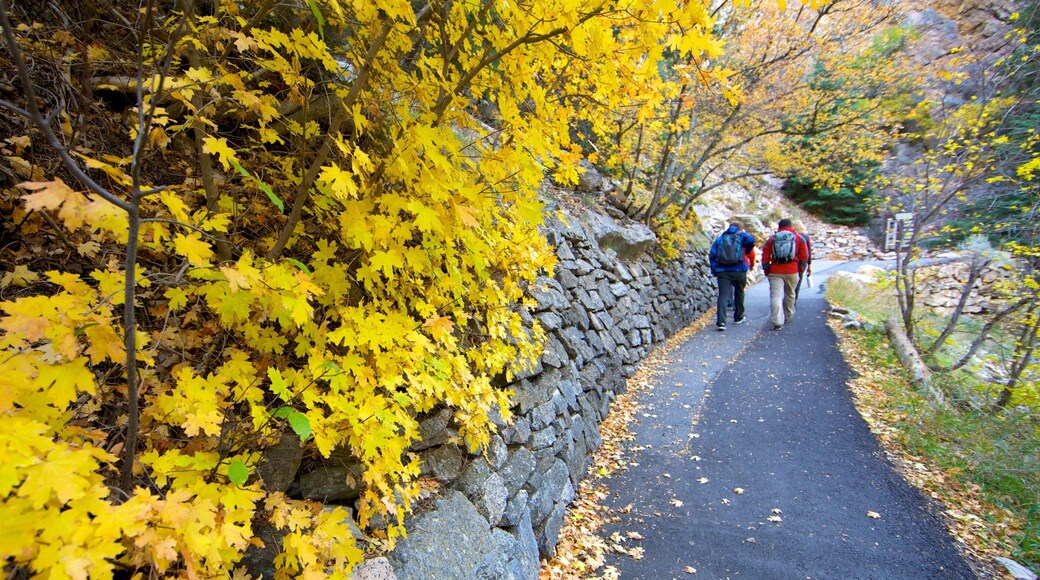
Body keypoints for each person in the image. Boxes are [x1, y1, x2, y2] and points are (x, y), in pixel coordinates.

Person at [761, 218, 809, 330]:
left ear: (779, 227)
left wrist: (767, 269)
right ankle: (788, 315)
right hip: (792, 270)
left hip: (775, 271)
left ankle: (777, 321)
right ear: (791, 226)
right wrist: (800, 269)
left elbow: (765, 256)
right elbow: (804, 256)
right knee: (790, 293)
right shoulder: (798, 238)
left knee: (776, 296)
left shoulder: (772, 239)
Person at [709, 221, 756, 331]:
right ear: (740, 228)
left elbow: (712, 254)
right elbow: (751, 241)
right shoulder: (741, 236)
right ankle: (738, 316)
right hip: (739, 269)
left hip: (722, 271)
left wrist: (715, 269)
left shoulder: (721, 239)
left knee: (723, 295)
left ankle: (721, 322)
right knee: (739, 292)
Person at [792, 219, 813, 302]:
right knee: (798, 281)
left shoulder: (791, 236)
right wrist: (809, 265)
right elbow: (809, 252)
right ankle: (794, 301)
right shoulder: (805, 236)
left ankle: (789, 300)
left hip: (792, 262)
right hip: (802, 263)